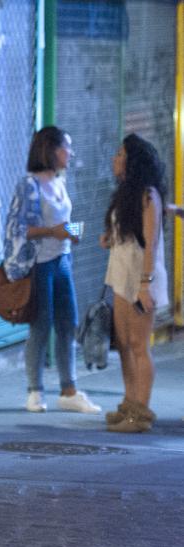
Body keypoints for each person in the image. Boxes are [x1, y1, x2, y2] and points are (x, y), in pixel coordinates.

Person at [5, 127, 101, 414]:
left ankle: (69, 389)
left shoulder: (60, 182)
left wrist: (71, 232)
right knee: (41, 325)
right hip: (39, 265)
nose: (70, 153)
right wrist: (52, 231)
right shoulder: (29, 185)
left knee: (67, 323)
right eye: (65, 148)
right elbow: (15, 228)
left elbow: (62, 223)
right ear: (50, 150)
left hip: (63, 261)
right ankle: (35, 392)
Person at [99, 134, 169, 432]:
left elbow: (150, 243)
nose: (115, 159)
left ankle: (141, 412)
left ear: (132, 160)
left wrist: (144, 284)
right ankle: (129, 403)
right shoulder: (125, 194)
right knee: (124, 344)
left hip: (142, 277)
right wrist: (109, 238)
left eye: (120, 154)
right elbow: (126, 234)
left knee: (139, 345)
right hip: (120, 274)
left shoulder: (147, 195)